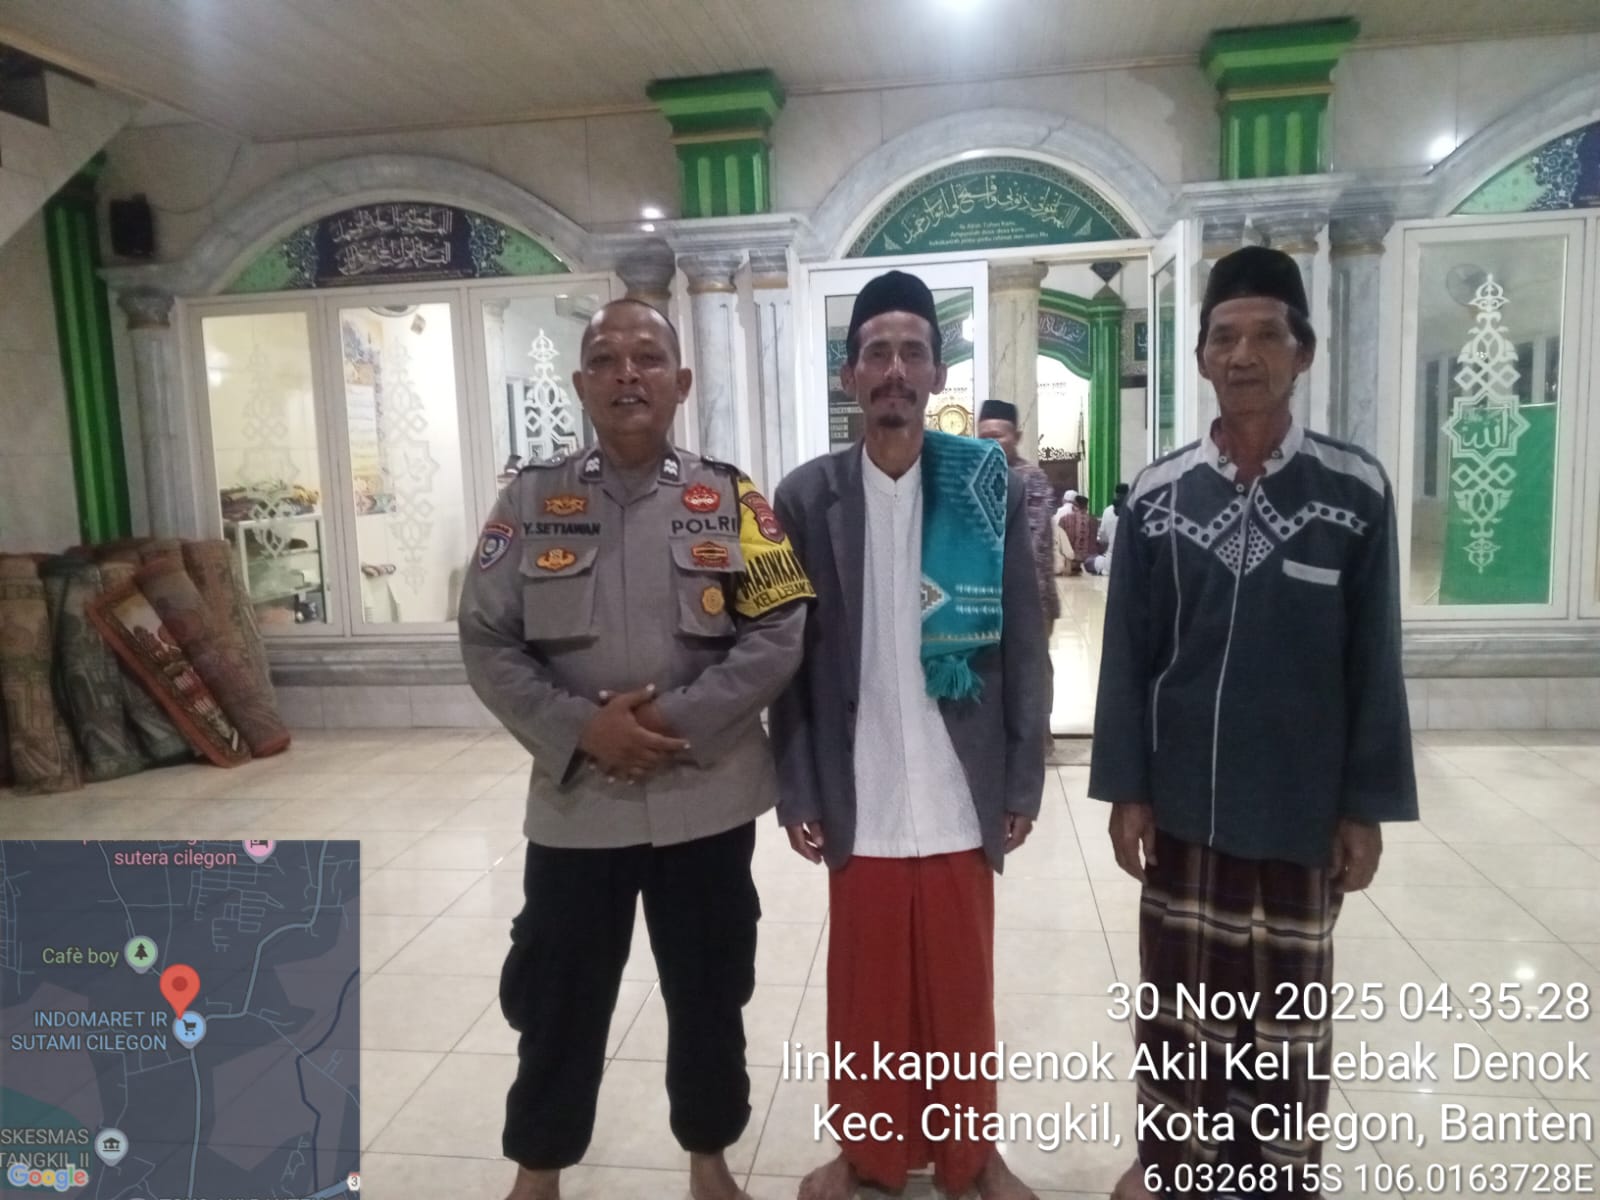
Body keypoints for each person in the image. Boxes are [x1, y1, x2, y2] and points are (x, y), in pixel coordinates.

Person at [458, 298, 814, 1200]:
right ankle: (537, 1171)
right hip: (580, 802)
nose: (627, 374)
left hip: (705, 796)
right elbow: (486, 639)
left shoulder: (732, 498)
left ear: (681, 383)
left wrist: (672, 723)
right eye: (606, 359)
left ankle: (710, 1161)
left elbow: (780, 631)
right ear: (580, 385)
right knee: (558, 996)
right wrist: (582, 728)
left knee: (711, 989)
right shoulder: (529, 500)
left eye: (648, 357)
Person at [1089, 246, 1418, 1200]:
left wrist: (1363, 806)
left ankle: (1271, 1180)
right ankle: (1172, 1170)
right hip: (1185, 813)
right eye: (1224, 337)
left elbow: (1374, 660)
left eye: (1266, 335)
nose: (1243, 356)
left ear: (1302, 352)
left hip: (1298, 817)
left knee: (1283, 1026)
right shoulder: (1158, 497)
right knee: (1181, 1015)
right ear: (1199, 357)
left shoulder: (1353, 492)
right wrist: (1128, 790)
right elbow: (1128, 658)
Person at [768, 270, 1049, 1200]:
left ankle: (971, 1157)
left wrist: (1022, 778)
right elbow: (785, 657)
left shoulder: (983, 484)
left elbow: (1024, 638)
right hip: (861, 781)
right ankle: (870, 1156)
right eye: (877, 352)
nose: (895, 370)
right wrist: (797, 787)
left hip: (959, 778)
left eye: (913, 352)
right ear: (850, 373)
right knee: (868, 993)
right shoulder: (806, 497)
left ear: (937, 373)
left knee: (962, 990)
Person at [977, 398, 1060, 639]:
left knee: (1030, 662)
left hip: (1031, 600)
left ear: (1017, 437)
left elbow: (1032, 544)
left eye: (997, 436)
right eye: (983, 437)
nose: (990, 444)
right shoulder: (974, 476)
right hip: (985, 600)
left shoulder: (1032, 478)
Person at [1088, 482, 1130, 576]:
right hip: (1131, 563)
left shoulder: (1108, 511)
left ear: (1115, 494)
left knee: (1090, 561)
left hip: (1111, 563)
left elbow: (1103, 539)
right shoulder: (1135, 509)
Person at [1057, 493, 1100, 575]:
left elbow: (1060, 541)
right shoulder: (1093, 521)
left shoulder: (1064, 519)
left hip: (1070, 560)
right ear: (1086, 507)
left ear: (1073, 506)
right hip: (1089, 560)